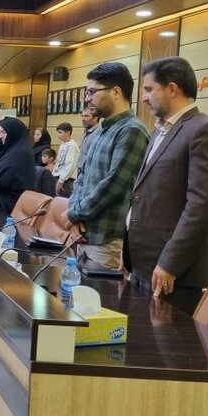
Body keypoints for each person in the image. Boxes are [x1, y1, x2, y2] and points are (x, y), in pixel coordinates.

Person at [125, 57, 208, 314]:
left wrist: (170, 263)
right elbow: (145, 194)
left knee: (164, 339)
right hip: (143, 264)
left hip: (175, 273)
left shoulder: (206, 130)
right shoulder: (161, 131)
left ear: (172, 89)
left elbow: (202, 207)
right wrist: (128, 248)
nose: (143, 98)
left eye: (149, 89)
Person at [65, 62, 150, 273]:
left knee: (98, 295)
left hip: (107, 239)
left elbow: (113, 185)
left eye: (92, 92)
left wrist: (75, 213)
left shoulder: (131, 131)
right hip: (84, 234)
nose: (87, 98)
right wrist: (73, 214)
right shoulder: (101, 129)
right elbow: (82, 176)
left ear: (116, 92)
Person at [51, 122, 79, 197]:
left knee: (62, 199)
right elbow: (58, 162)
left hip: (66, 179)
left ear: (68, 133)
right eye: (58, 132)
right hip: (58, 176)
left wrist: (61, 180)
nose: (58, 135)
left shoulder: (72, 146)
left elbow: (70, 165)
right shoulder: (62, 145)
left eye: (60, 132)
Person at [77, 106, 101, 175]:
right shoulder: (87, 132)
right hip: (81, 172)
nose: (83, 119)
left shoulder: (98, 134)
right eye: (82, 116)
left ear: (96, 118)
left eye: (86, 116)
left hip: (89, 173)